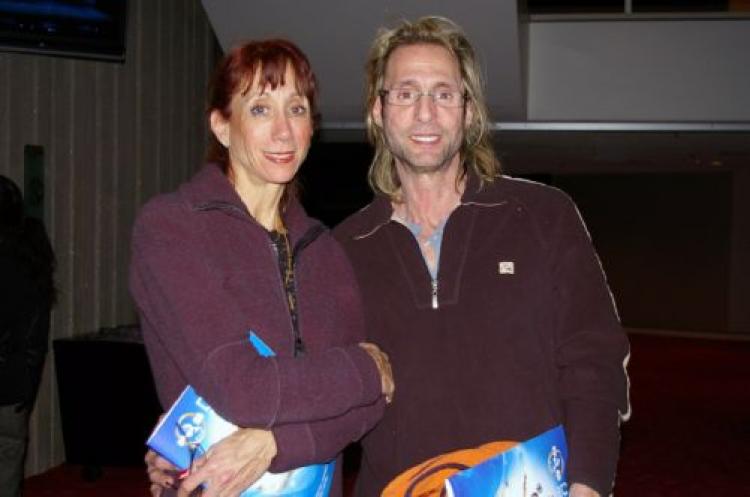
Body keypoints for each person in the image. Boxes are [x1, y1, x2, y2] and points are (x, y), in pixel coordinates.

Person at [331, 16, 630, 497]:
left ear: (468, 112)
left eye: (443, 93)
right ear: (378, 111)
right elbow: (322, 398)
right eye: (406, 93)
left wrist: (588, 486)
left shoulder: (542, 215)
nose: (425, 113)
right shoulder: (344, 249)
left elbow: (594, 361)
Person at [130, 39, 393, 497]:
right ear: (222, 126)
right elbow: (243, 389)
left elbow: (369, 409)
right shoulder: (172, 228)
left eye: (296, 109)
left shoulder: (326, 249)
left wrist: (276, 444)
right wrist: (367, 368)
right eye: (259, 109)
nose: (283, 131)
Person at [0, 175, 56, 497]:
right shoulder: (30, 262)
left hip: (12, 385)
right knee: (8, 468)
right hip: (12, 389)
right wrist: (27, 388)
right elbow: (35, 337)